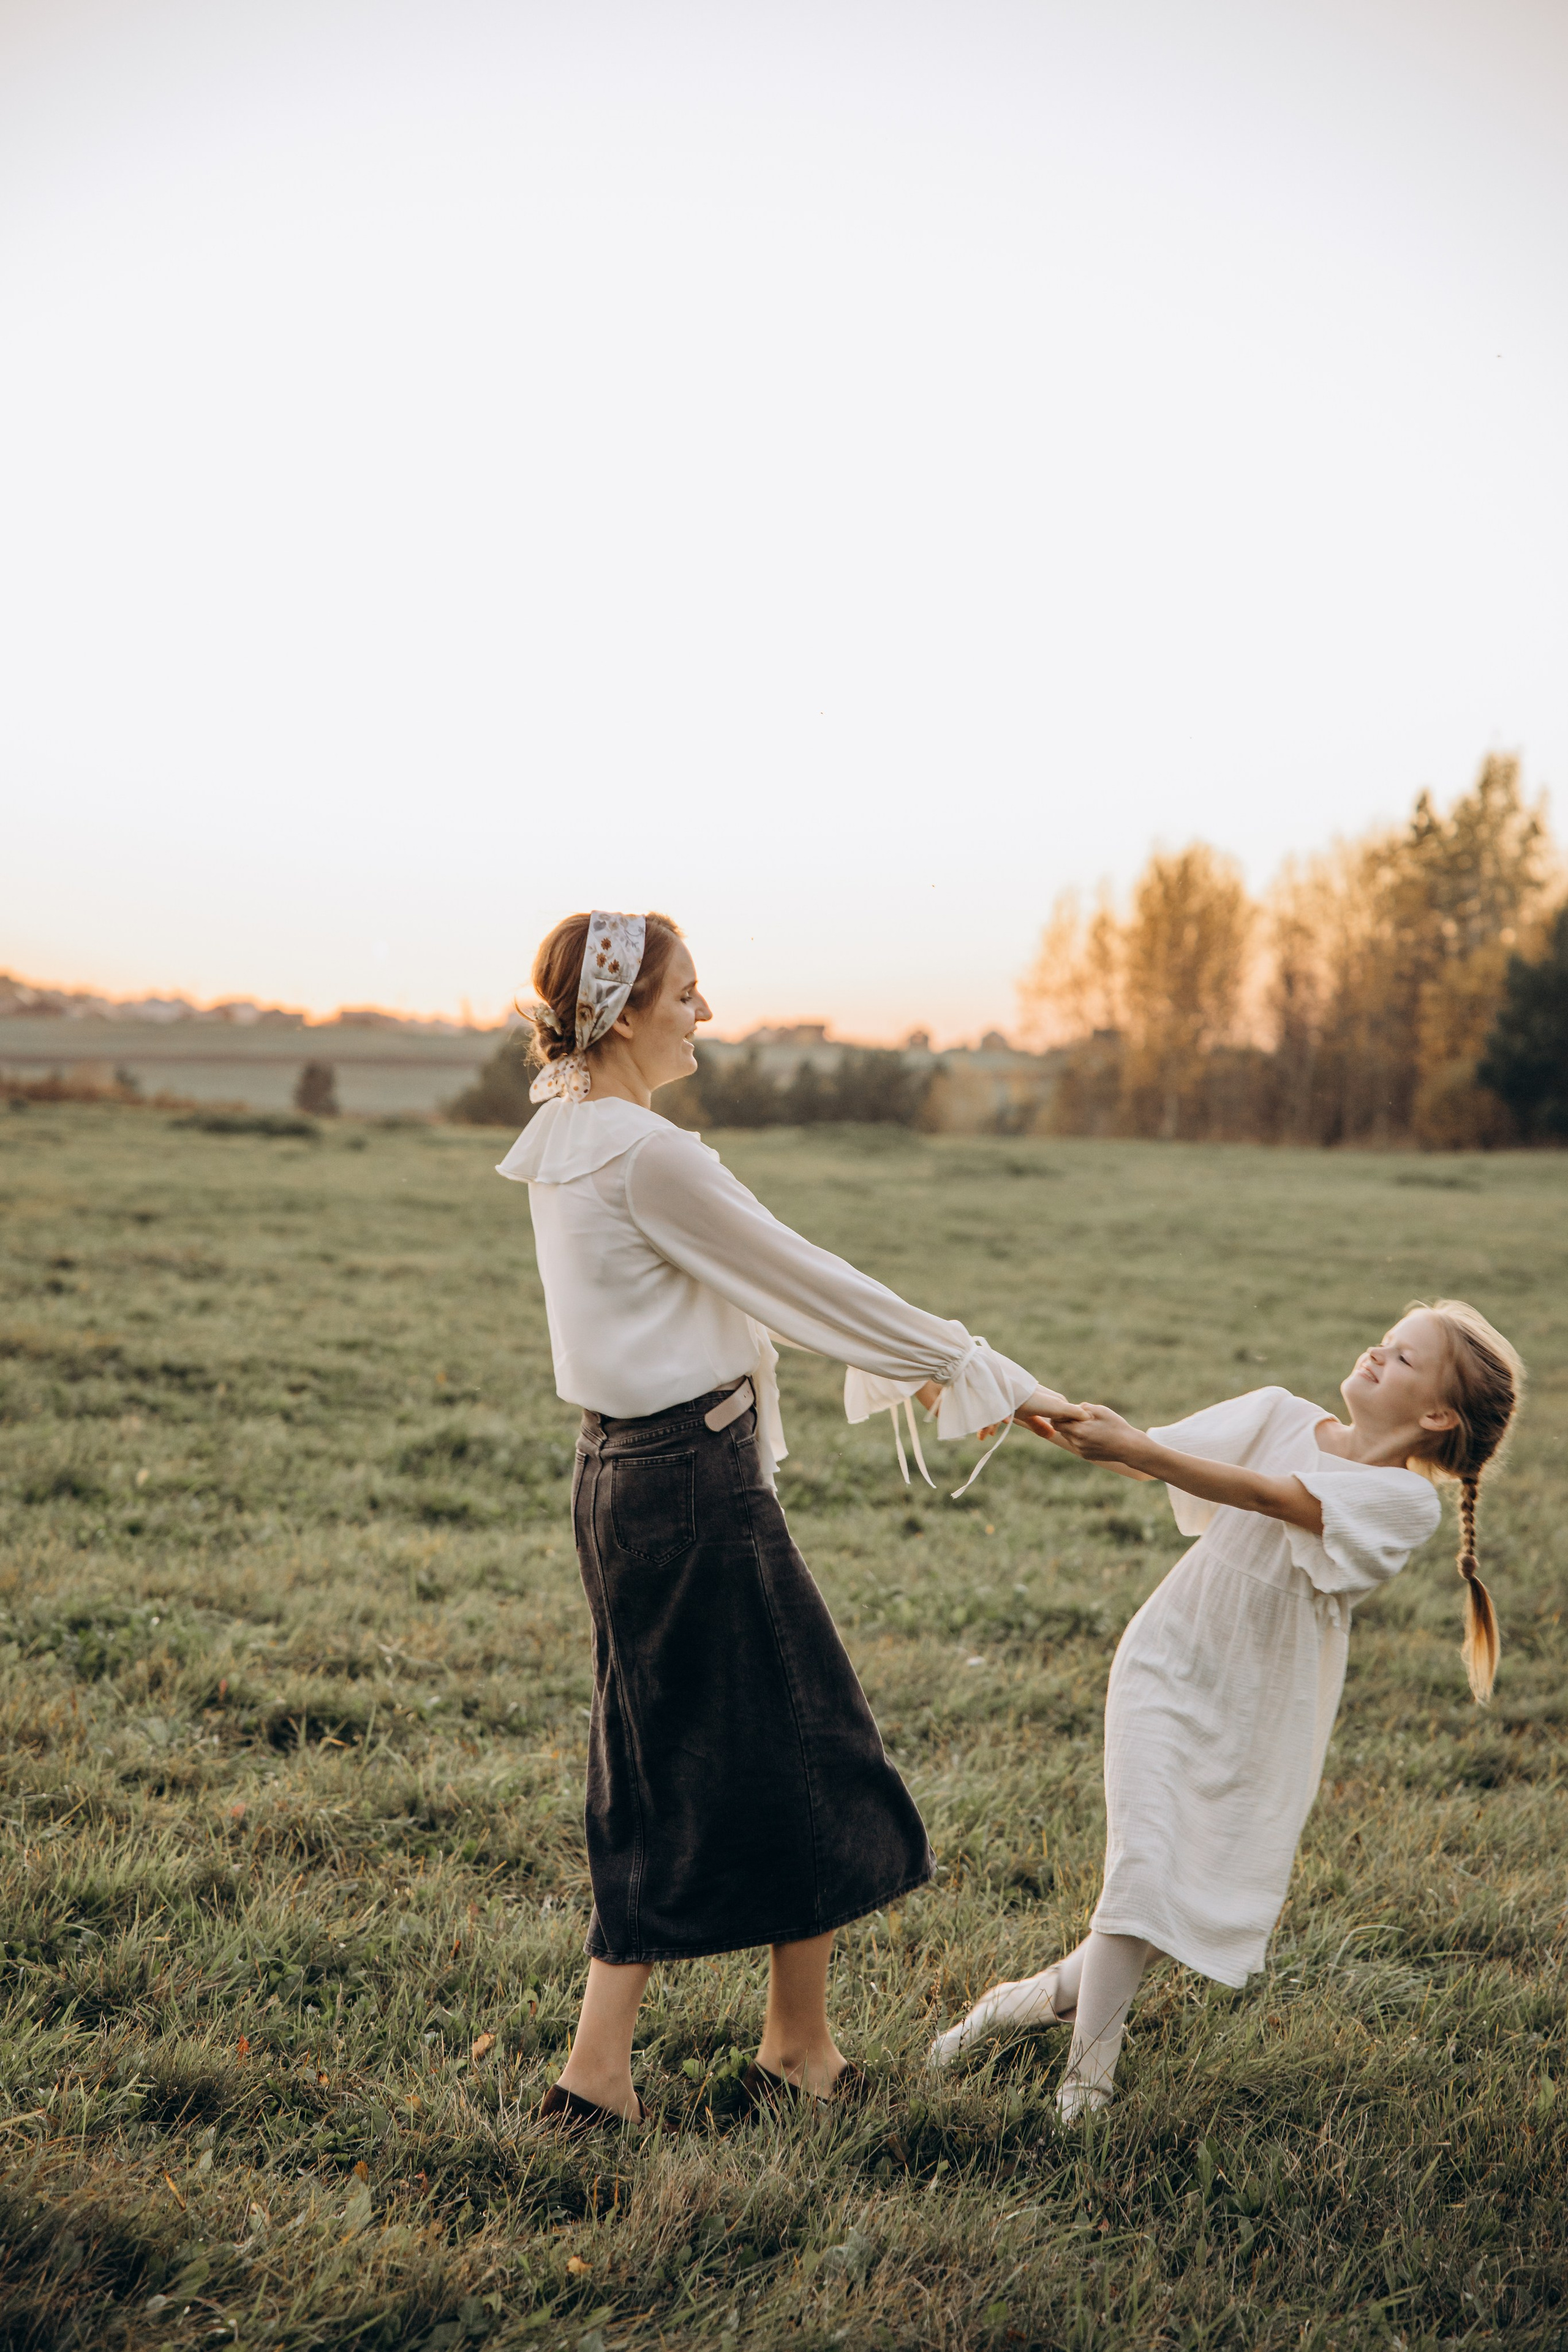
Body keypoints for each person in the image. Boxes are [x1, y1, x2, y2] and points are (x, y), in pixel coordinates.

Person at [498, 910, 1067, 2130]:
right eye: (688, 994)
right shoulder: (647, 1157)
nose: (705, 1013)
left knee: (702, 1755)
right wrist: (978, 1371)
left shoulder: (563, 1137)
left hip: (622, 1479)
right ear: (627, 1014)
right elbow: (806, 1282)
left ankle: (746, 2054)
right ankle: (654, 2071)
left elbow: (764, 1290)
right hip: (685, 1486)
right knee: (803, 1747)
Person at [928, 1300, 1522, 2118]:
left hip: (1260, 1700)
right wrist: (994, 1395)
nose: (1376, 1355)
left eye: (1404, 1360)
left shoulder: (1406, 1504)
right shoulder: (1278, 1412)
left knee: (1171, 1886)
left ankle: (1021, 2000)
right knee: (1142, 1861)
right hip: (1170, 1659)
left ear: (1434, 1416)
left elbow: (1278, 1498)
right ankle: (1087, 2081)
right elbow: (1137, 1456)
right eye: (1383, 1342)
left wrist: (1142, 1447)